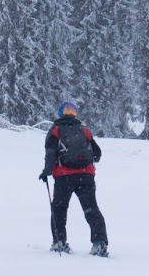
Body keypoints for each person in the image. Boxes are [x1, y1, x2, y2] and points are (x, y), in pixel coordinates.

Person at [39, 100, 108, 256]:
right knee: (91, 209)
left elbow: (51, 154)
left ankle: (59, 242)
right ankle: (99, 243)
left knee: (59, 208)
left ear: (60, 113)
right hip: (86, 175)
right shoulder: (84, 130)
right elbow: (97, 153)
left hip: (64, 177)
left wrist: (46, 172)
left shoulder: (55, 130)